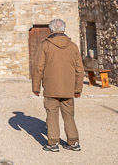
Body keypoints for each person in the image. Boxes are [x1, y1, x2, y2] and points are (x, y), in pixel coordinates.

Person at [31, 18, 83, 152]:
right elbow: (79, 69)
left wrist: (36, 87)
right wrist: (78, 89)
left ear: (51, 30)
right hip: (68, 88)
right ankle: (73, 142)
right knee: (69, 115)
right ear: (64, 29)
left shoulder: (45, 45)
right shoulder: (73, 46)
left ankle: (53, 143)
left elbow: (38, 68)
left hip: (51, 87)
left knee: (52, 115)